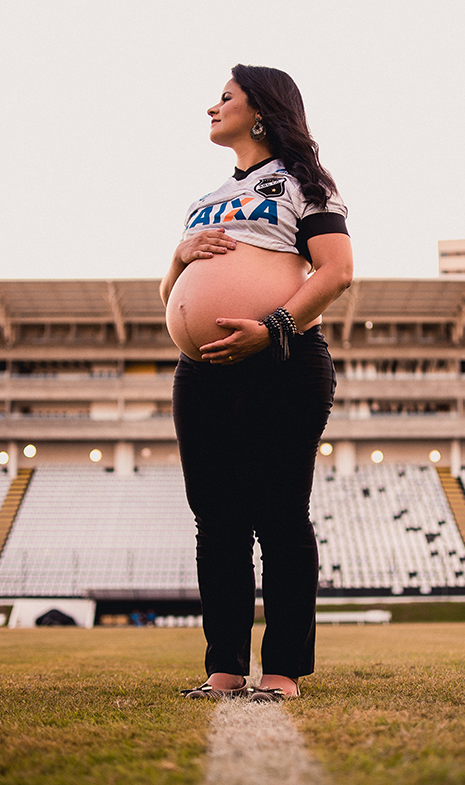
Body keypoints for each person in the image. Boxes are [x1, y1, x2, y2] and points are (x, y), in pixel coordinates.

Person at [161, 64, 353, 702]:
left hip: (282, 358)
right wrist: (180, 257)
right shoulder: (205, 196)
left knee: (278, 515)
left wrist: (271, 328)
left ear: (262, 110)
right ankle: (223, 667)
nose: (211, 107)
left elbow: (336, 271)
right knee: (215, 520)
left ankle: (282, 671)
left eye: (225, 97)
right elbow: (170, 296)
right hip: (202, 369)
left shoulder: (306, 183)